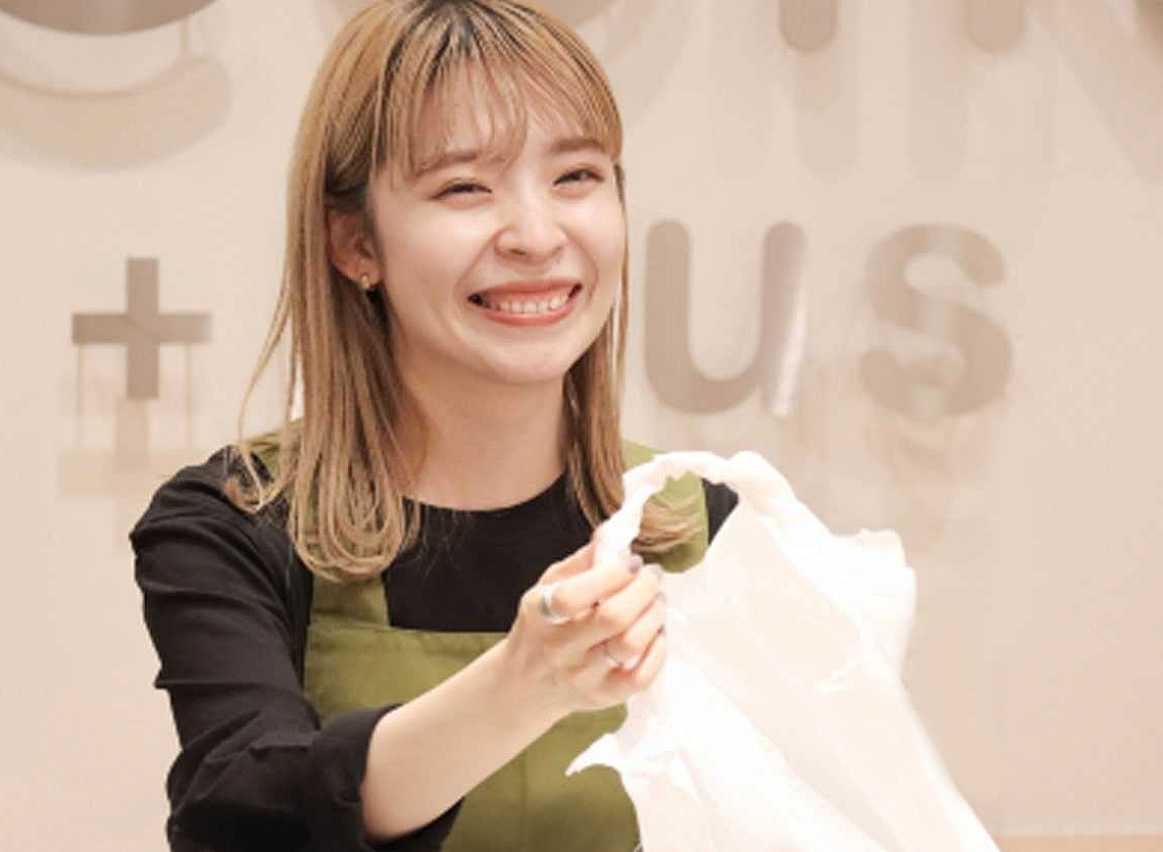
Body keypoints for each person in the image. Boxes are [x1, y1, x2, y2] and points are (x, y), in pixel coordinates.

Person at [130, 2, 737, 849]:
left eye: (576, 177)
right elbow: (246, 814)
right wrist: (522, 686)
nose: (536, 236)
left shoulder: (701, 525)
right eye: (464, 188)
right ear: (355, 244)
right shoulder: (234, 526)